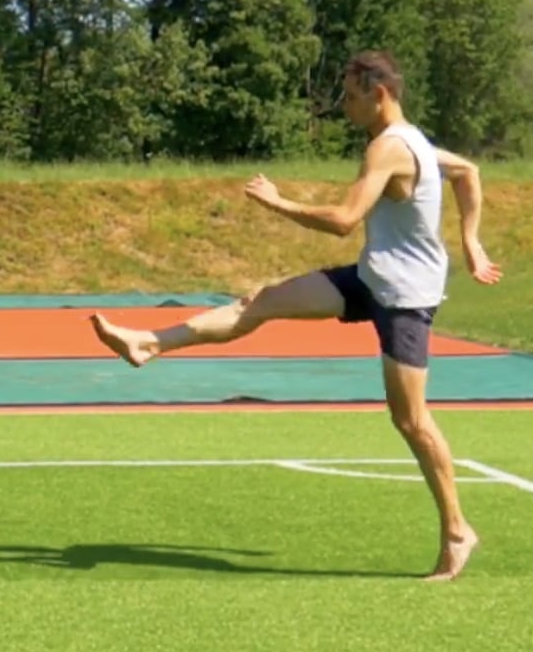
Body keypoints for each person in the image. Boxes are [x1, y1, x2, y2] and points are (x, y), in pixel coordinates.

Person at [87, 51, 503, 581]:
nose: (344, 107)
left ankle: (457, 531)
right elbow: (468, 171)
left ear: (379, 94)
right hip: (373, 277)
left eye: (351, 97)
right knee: (259, 302)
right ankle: (148, 343)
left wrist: (278, 203)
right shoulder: (413, 141)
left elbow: (343, 220)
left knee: (411, 420)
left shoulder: (390, 148)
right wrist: (469, 242)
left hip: (404, 296)